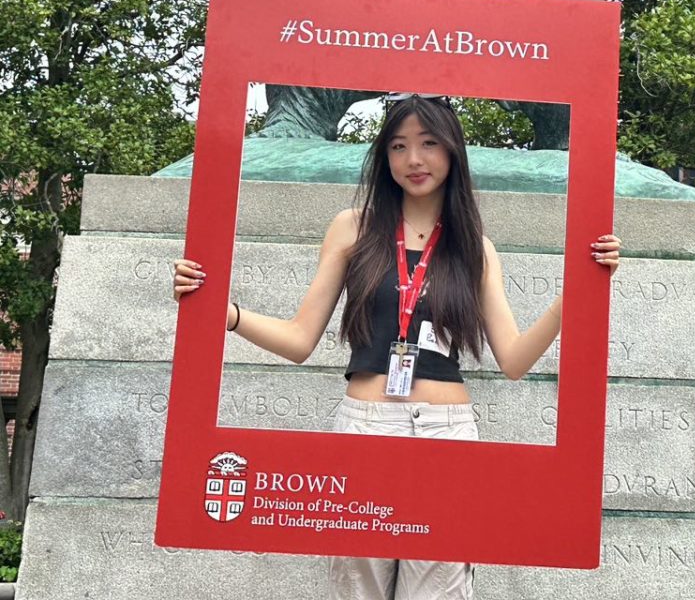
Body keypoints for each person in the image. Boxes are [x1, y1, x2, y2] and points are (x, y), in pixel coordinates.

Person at [173, 93, 621, 599]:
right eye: (399, 146)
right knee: (356, 591)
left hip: (447, 436)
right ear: (384, 157)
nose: (414, 160)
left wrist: (573, 295)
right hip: (364, 428)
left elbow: (514, 360)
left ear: (452, 151)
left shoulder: (475, 247)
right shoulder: (353, 226)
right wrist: (224, 314)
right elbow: (300, 340)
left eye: (429, 144)